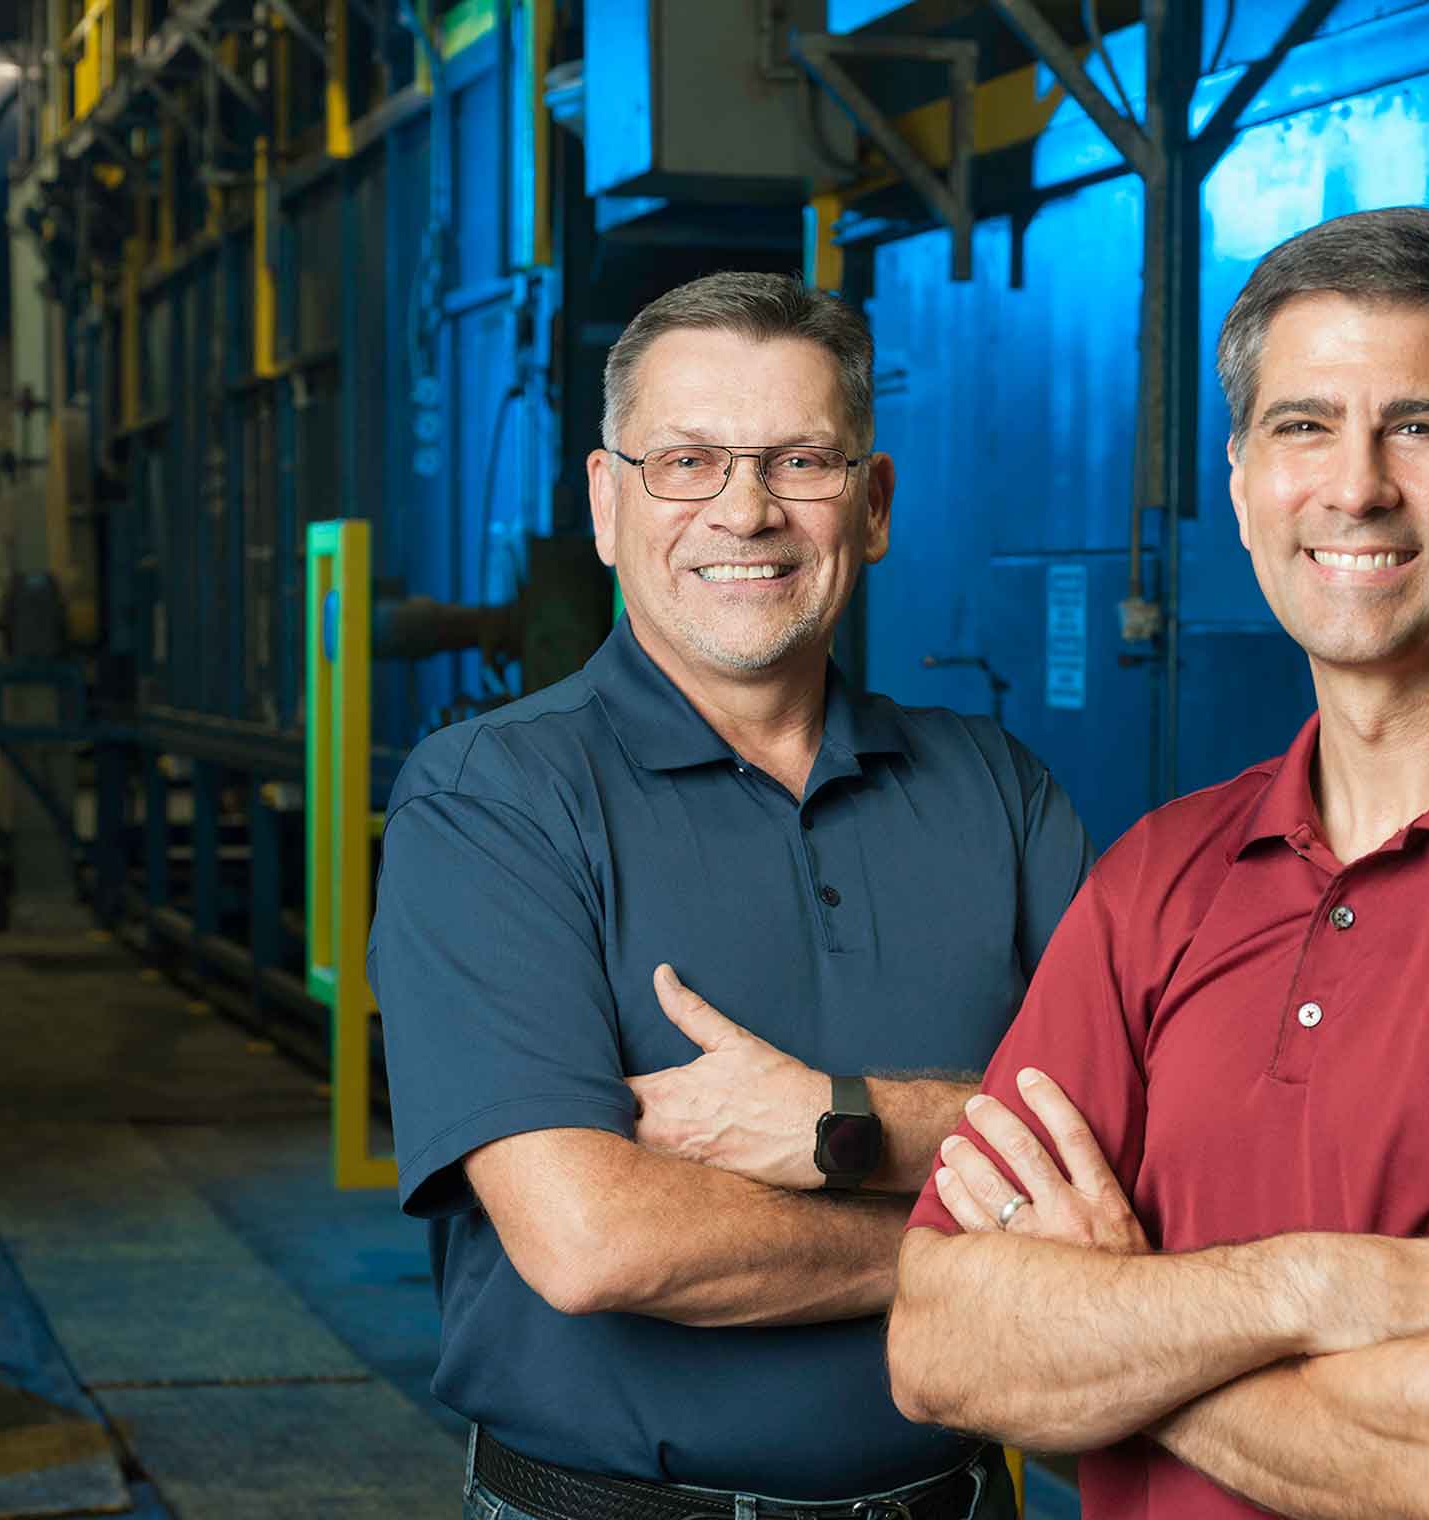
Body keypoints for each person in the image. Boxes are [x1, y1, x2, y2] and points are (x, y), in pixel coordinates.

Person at [888, 208, 1429, 1520]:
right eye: (1303, 427)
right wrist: (1310, 1287)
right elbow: (937, 1343)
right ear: (1243, 485)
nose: (1356, 487)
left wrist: (1112, 1322)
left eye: (1420, 426)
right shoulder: (1159, 881)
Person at [368, 272, 1092, 1520]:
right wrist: (981, 1240)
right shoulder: (491, 800)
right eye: (688, 461)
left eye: (801, 459)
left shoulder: (997, 789)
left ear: (871, 506)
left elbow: (1139, 1142)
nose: (745, 512)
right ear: (607, 503)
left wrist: (838, 1118)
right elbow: (595, 1237)